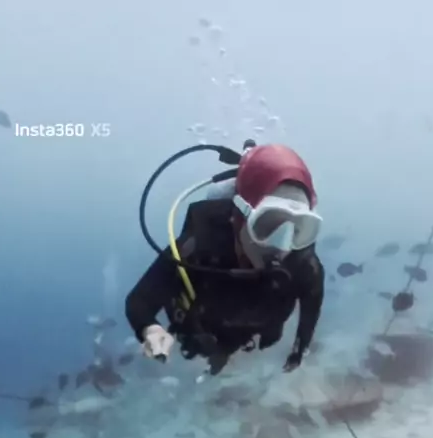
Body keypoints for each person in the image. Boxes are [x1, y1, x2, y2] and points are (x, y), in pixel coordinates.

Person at [125, 142, 325, 375]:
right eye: (268, 224)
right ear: (239, 216)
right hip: (204, 333)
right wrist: (150, 329)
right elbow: (139, 301)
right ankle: (218, 357)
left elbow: (311, 308)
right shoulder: (196, 247)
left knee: (228, 350)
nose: (282, 247)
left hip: (247, 333)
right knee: (210, 351)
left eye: (299, 228)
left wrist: (300, 349)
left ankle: (223, 355)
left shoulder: (304, 264)